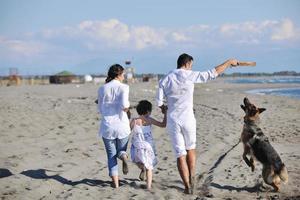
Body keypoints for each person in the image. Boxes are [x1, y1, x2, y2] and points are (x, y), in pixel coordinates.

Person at [156, 53, 238, 194]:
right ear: (187, 64)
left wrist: (165, 109)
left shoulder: (165, 79)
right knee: (191, 149)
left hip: (173, 120)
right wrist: (229, 62)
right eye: (191, 66)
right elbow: (212, 73)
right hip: (188, 118)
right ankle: (192, 177)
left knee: (180, 154)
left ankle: (187, 186)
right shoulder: (188, 75)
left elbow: (159, 103)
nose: (191, 68)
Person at [97, 64, 131, 188]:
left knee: (111, 155)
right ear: (118, 74)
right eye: (123, 74)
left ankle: (115, 184)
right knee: (121, 150)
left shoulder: (102, 88)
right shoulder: (124, 87)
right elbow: (124, 105)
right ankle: (123, 156)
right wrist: (127, 108)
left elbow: (100, 109)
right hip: (122, 126)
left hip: (107, 126)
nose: (124, 76)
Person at [130, 100, 167, 190]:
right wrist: (166, 114)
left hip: (137, 145)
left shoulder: (134, 121)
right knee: (149, 167)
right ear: (147, 111)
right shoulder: (149, 120)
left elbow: (127, 131)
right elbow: (163, 125)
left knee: (137, 161)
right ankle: (148, 187)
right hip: (148, 146)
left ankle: (142, 168)